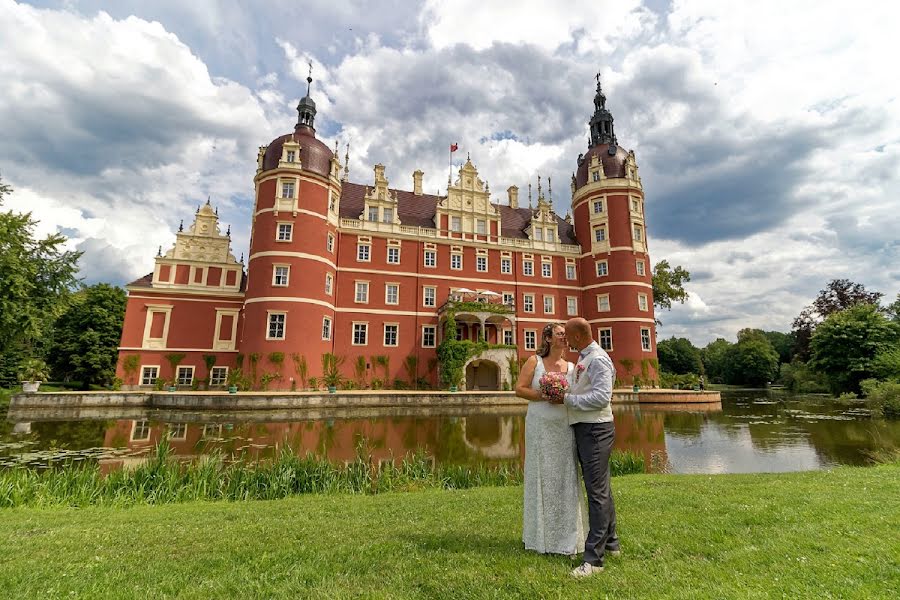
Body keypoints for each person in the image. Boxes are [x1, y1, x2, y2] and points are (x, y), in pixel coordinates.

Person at [549, 317, 619, 579]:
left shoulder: (597, 359)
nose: (565, 339)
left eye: (567, 335)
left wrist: (566, 399)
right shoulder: (586, 357)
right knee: (602, 487)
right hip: (588, 428)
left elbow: (602, 398)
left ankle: (594, 559)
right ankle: (611, 543)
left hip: (595, 430)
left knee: (597, 492)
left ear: (578, 337)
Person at [515, 322, 585, 557]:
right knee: (541, 475)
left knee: (565, 476)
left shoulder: (572, 366)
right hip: (539, 426)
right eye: (560, 334)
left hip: (564, 427)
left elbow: (577, 394)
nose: (565, 338)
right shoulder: (534, 362)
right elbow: (519, 389)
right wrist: (543, 394)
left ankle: (567, 538)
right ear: (547, 338)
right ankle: (539, 536)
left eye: (565, 334)